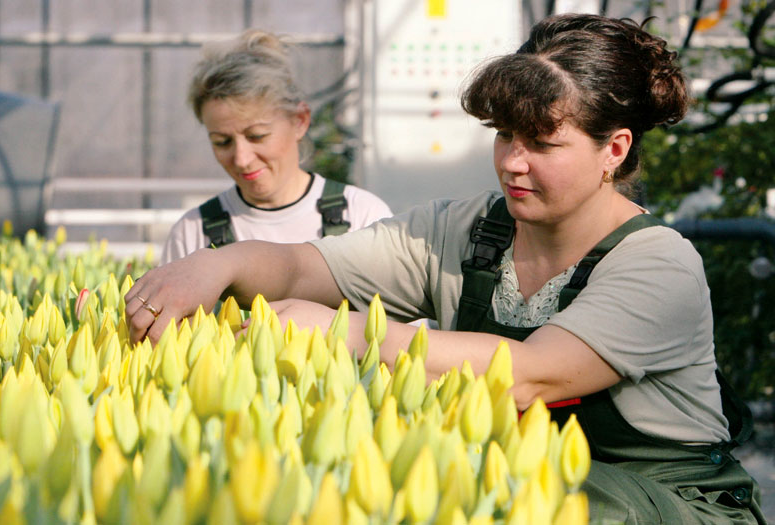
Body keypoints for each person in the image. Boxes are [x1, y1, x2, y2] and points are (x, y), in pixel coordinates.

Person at [126, 14, 765, 523]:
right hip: (513, 483)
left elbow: (527, 377)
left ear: (614, 149)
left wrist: (350, 333)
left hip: (656, 505)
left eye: (542, 143)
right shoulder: (462, 229)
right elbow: (303, 268)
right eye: (504, 135)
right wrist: (218, 264)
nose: (513, 162)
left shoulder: (659, 263)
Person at [159, 29, 392, 265]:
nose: (242, 159)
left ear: (299, 121)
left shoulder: (362, 216)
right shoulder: (193, 233)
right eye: (222, 142)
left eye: (257, 136)